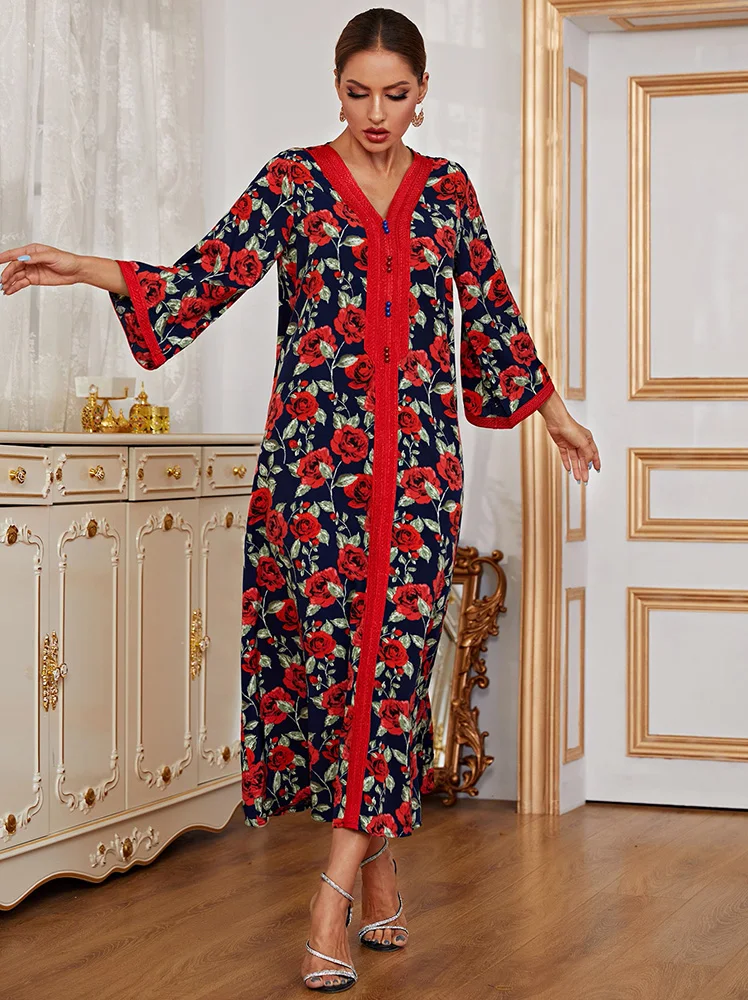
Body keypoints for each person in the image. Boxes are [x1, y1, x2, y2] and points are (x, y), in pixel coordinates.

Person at [0, 7, 600, 992]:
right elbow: (199, 280)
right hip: (311, 480)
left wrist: (558, 418)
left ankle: (330, 896)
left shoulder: (448, 192)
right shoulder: (292, 183)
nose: (377, 113)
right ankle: (382, 868)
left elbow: (493, 311)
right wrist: (81, 267)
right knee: (333, 677)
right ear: (336, 86)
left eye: (396, 94)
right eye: (359, 93)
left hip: (419, 481)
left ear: (423, 93)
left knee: (393, 674)